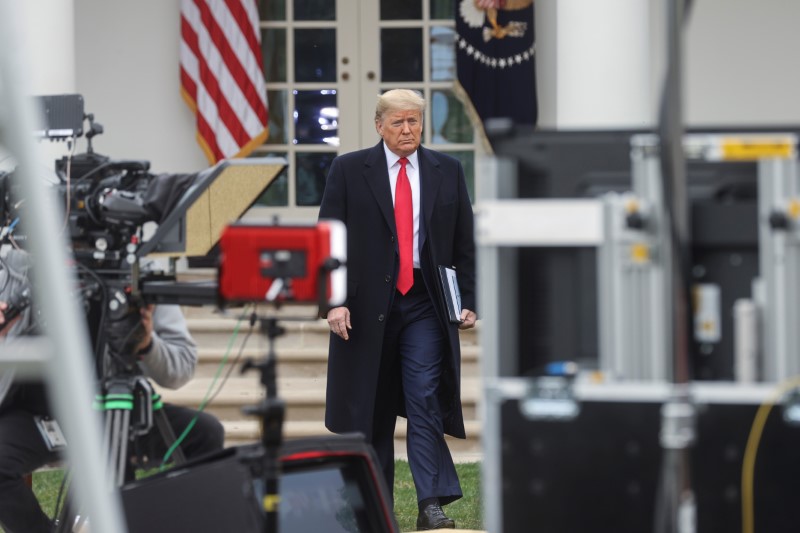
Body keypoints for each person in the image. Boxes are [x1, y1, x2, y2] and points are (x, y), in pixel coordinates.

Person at [318, 89, 477, 530]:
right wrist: (333, 302)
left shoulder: (448, 170)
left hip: (424, 301)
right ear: (379, 126)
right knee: (371, 409)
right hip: (365, 308)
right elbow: (329, 238)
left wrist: (469, 301)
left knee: (424, 397)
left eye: (414, 122)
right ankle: (372, 505)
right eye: (398, 123)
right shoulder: (349, 170)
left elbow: (465, 243)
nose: (407, 131)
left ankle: (431, 504)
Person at [0, 252, 224, 532]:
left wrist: (147, 345)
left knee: (205, 433)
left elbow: (182, 364)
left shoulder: (138, 268)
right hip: (36, 414)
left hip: (117, 407)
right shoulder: (13, 265)